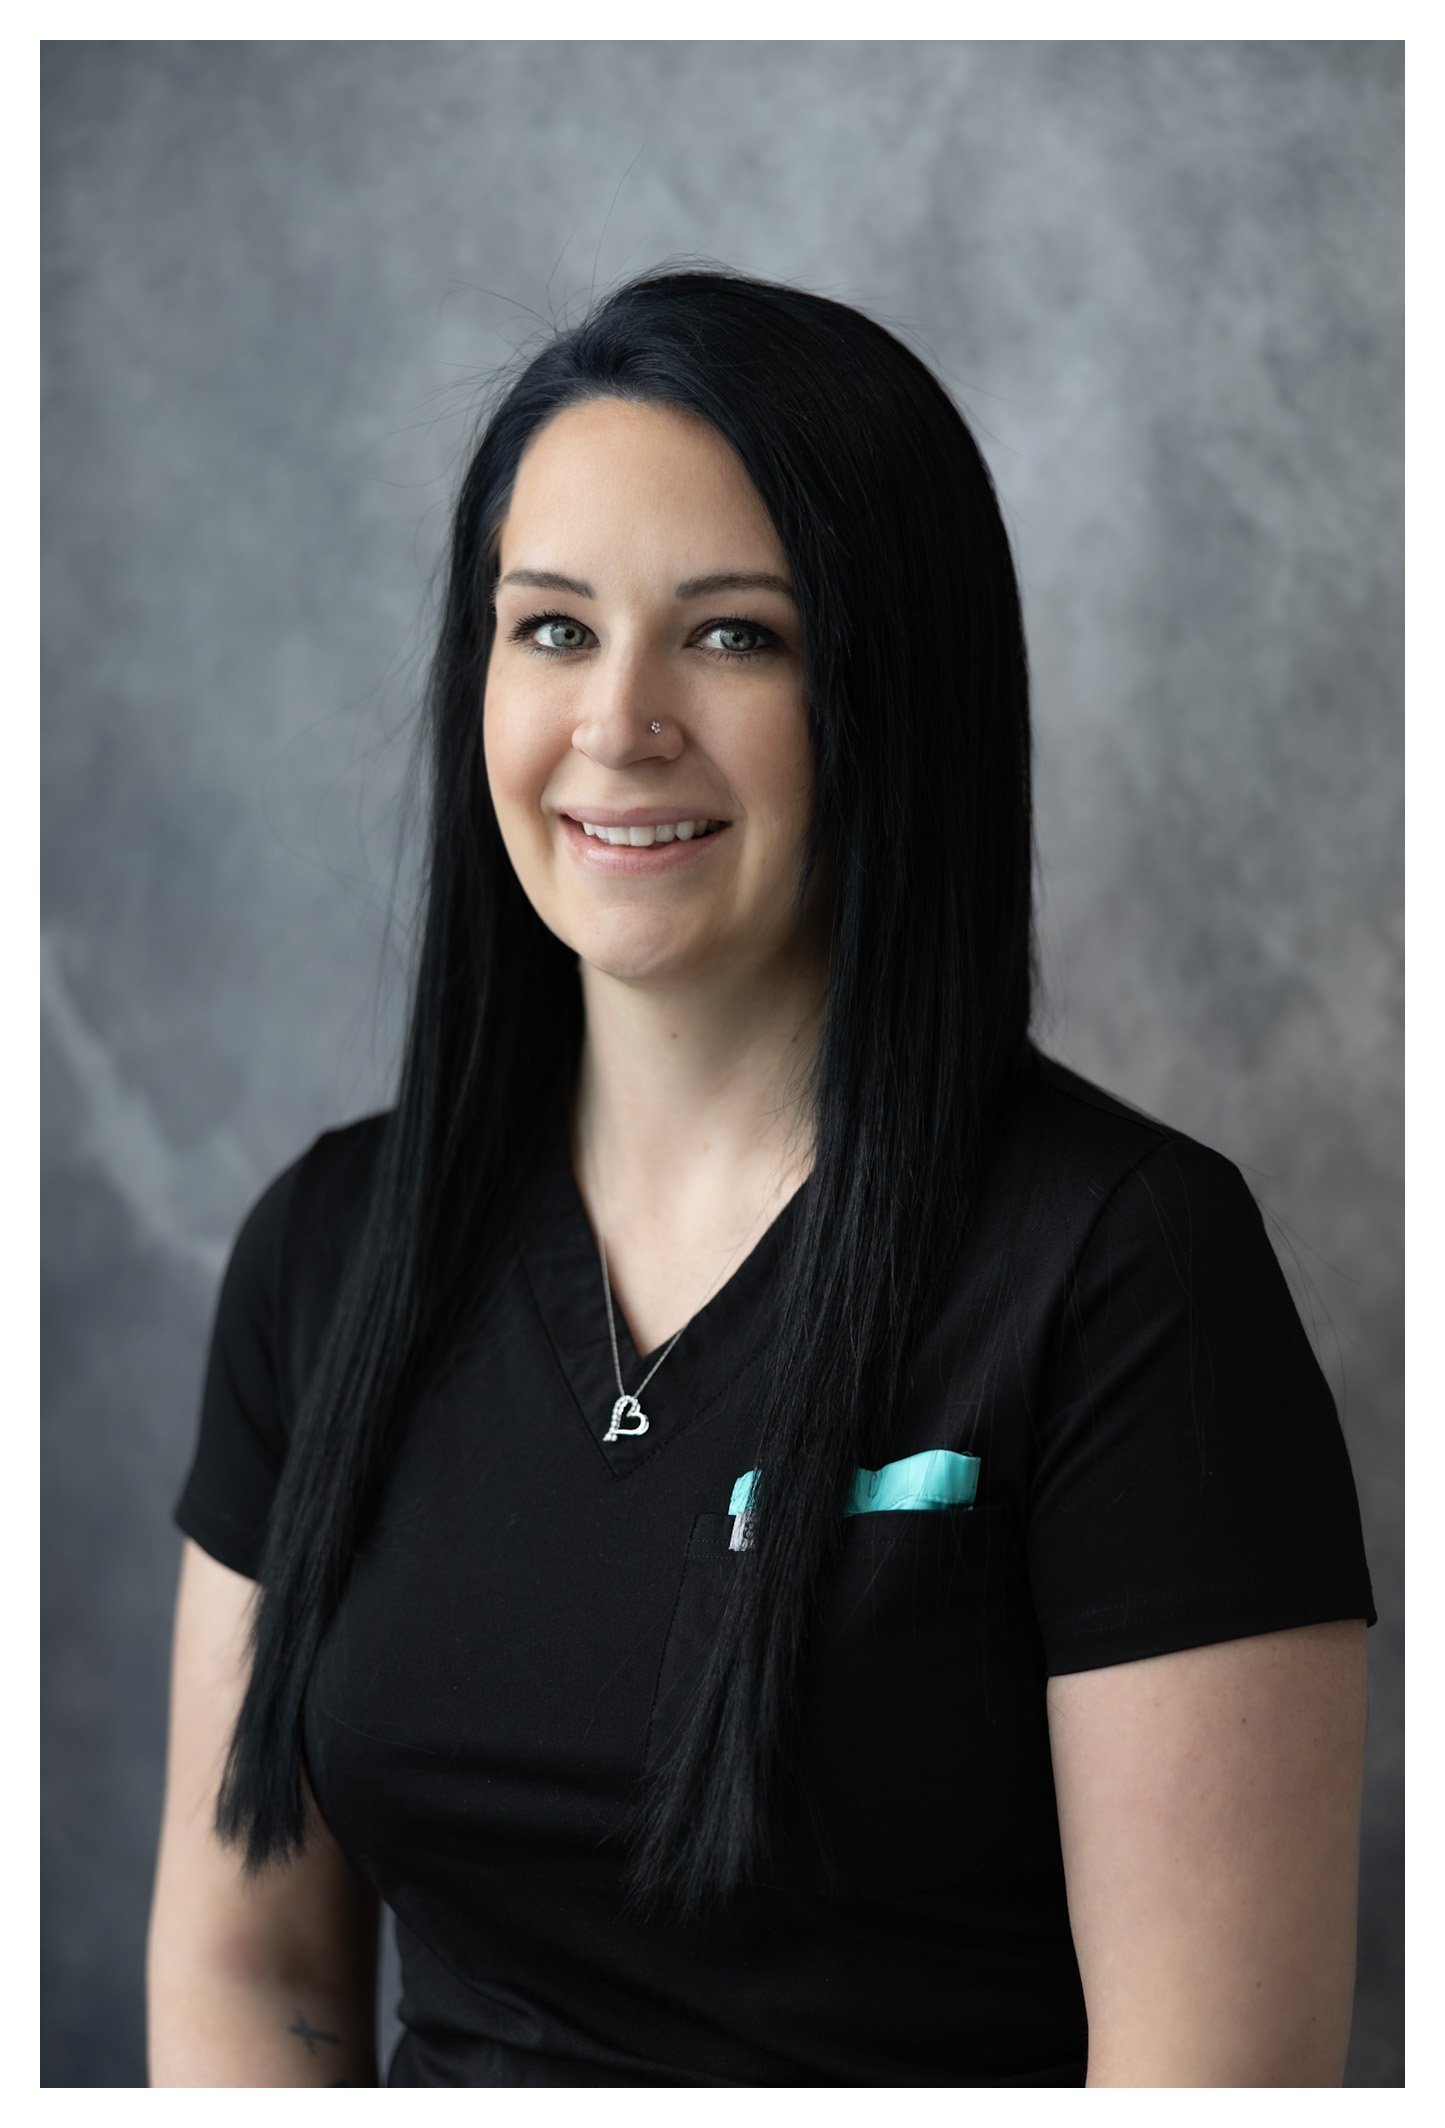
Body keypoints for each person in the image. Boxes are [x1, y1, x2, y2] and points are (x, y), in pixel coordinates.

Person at [146, 265, 1377, 2088]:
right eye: (550, 629)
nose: (616, 722)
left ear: (893, 690)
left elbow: (1211, 2085)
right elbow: (248, 1964)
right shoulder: (329, 1252)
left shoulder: (1126, 1270)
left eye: (734, 637)